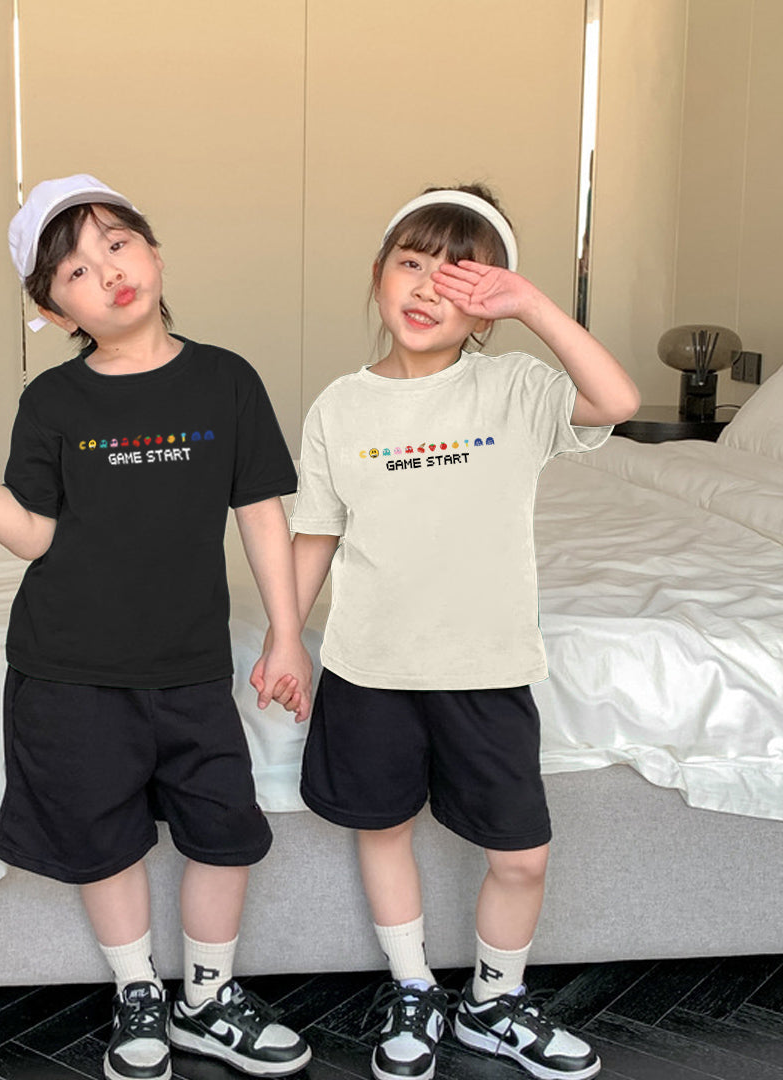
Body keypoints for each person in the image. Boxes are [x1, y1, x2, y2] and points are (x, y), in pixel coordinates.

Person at [0, 174, 313, 1080]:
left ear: (152, 250)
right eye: (76, 269)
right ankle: (137, 992)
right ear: (52, 308)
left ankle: (207, 999)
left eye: (117, 243)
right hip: (70, 667)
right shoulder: (54, 402)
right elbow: (32, 534)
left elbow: (261, 512)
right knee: (103, 838)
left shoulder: (226, 380)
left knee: (225, 832)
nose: (108, 272)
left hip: (190, 666)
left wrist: (285, 633)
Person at [255, 185, 640, 1080]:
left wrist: (533, 306)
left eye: (460, 278)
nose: (429, 288)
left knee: (522, 855)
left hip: (485, 667)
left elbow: (617, 398)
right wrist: (284, 638)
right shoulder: (339, 407)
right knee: (383, 831)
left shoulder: (516, 388)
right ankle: (413, 988)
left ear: (489, 305)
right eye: (412, 264)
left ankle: (494, 1003)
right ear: (378, 276)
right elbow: (317, 534)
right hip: (371, 669)